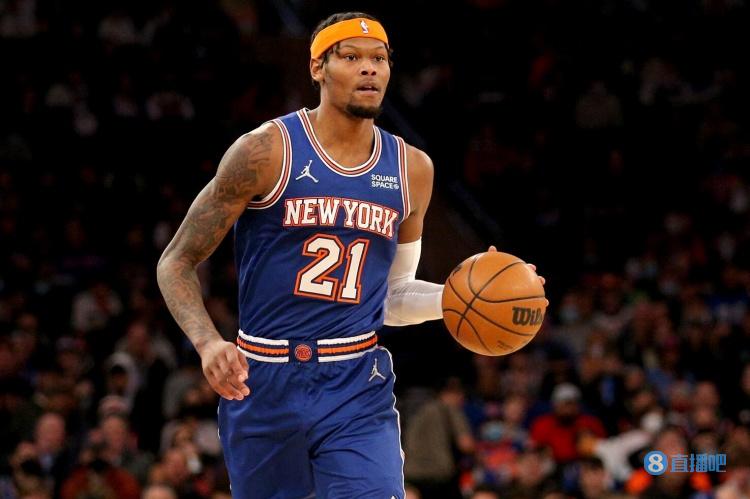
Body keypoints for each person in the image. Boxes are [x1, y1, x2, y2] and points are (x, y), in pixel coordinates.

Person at [156, 11, 545, 498]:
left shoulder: (412, 169)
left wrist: (465, 296)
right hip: (262, 379)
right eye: (351, 57)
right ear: (317, 67)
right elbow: (175, 260)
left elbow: (393, 296)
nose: (369, 68)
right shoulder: (265, 152)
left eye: (379, 58)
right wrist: (208, 343)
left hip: (355, 382)